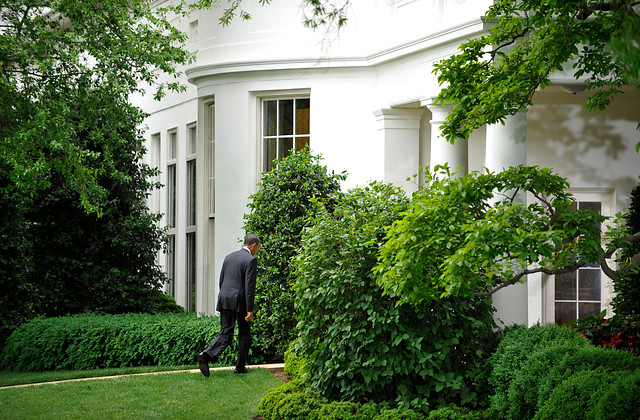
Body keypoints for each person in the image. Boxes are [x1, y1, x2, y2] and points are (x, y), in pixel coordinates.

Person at [197, 234, 261, 377]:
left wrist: (225, 296)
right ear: (254, 245)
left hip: (225, 298)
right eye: (258, 248)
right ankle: (240, 367)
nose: (257, 251)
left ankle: (205, 355)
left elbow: (222, 280)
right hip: (240, 300)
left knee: (225, 333)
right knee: (244, 334)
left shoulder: (229, 257)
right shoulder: (251, 260)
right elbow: (249, 287)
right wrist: (250, 310)